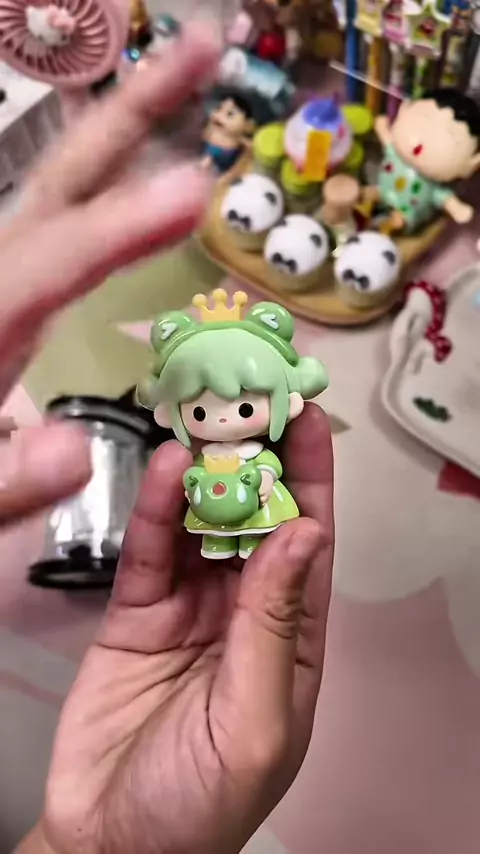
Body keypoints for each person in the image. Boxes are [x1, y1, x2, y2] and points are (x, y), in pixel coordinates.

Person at [0, 23, 333, 854]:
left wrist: (86, 842)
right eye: (206, 410)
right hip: (211, 514)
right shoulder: (188, 448)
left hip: (246, 510)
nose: (223, 418)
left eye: (242, 408)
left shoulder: (258, 448)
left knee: (253, 535)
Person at [374, 87, 480, 233]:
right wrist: (383, 129)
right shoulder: (396, 153)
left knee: (397, 222)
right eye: (421, 120)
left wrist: (457, 208)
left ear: (471, 163)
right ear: (404, 110)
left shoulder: (434, 186)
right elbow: (387, 140)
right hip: (381, 190)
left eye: (444, 140)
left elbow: (444, 197)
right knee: (366, 195)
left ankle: (388, 228)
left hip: (405, 214)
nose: (420, 145)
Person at [201, 92, 256, 173]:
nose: (219, 116)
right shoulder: (212, 135)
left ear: (247, 124)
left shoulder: (241, 141)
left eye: (229, 114)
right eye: (218, 109)